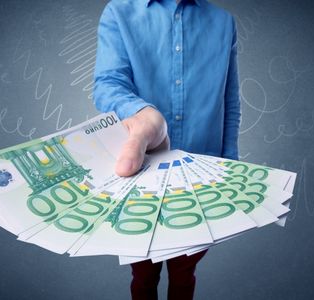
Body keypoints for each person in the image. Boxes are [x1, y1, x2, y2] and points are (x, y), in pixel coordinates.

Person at [93, 0, 241, 299]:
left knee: (186, 271)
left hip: (202, 175)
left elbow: (230, 102)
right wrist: (142, 112)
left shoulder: (224, 22)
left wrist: (231, 168)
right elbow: (107, 83)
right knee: (143, 272)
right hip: (141, 173)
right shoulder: (119, 12)